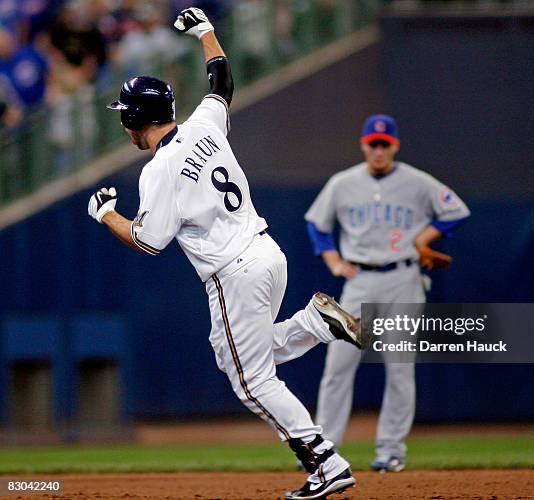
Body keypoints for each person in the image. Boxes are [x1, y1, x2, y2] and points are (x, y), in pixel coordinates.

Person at [87, 7, 362, 500]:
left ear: (133, 118)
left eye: (124, 115)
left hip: (234, 273)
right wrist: (206, 32)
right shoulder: (204, 125)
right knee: (236, 357)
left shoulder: (159, 170)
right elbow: (221, 83)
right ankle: (317, 326)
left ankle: (326, 461)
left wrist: (106, 215)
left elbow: (149, 241)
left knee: (251, 380)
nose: (123, 123)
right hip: (266, 252)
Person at [305, 114, 470, 472]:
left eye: (385, 144)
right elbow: (317, 223)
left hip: (404, 279)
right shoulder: (342, 183)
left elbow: (456, 211)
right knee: (337, 367)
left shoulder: (417, 182)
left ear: (394, 146)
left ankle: (391, 451)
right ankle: (325, 452)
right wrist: (334, 262)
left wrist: (425, 238)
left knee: (399, 369)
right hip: (360, 280)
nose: (379, 150)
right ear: (364, 145)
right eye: (373, 143)